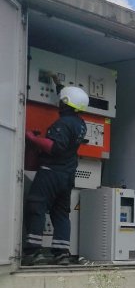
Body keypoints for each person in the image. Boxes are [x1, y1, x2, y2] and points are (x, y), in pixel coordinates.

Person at [22, 85, 89, 266]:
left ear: (66, 103)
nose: (59, 102)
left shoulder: (63, 123)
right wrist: (57, 83)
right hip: (67, 175)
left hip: (51, 172)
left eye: (62, 100)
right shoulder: (81, 124)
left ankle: (32, 252)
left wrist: (33, 138)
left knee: (36, 206)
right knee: (61, 213)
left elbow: (55, 147)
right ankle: (62, 254)